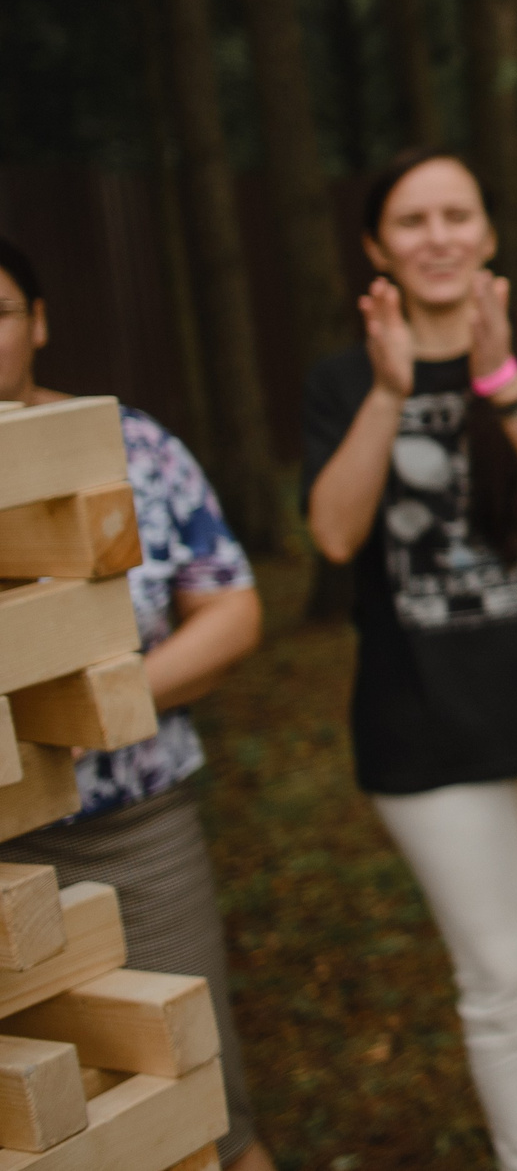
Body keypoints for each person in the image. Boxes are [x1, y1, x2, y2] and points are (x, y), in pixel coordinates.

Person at [303, 151, 517, 1171]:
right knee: (498, 981)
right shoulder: (342, 374)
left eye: (458, 214)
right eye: (412, 220)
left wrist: (503, 382)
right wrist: (390, 391)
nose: (438, 236)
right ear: (376, 248)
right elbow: (332, 533)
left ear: (490, 233)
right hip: (424, 737)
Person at [0, 239, 273, 1171]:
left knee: (200, 1103)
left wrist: (95, 704)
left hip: (132, 826)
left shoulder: (133, 443)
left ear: (38, 321)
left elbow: (231, 605)